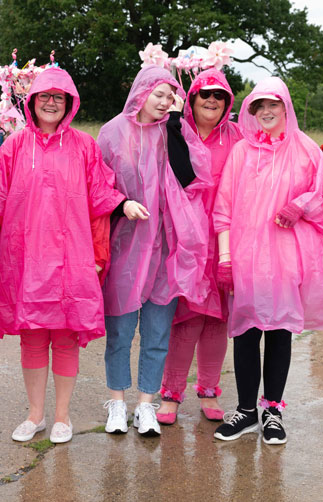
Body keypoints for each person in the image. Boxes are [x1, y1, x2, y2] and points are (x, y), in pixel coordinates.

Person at [0, 67, 145, 445]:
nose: (51, 102)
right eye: (45, 95)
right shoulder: (14, 146)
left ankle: (62, 416)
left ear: (70, 103)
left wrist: (121, 206)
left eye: (59, 97)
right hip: (25, 259)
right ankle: (35, 415)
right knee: (32, 338)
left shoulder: (84, 146)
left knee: (64, 338)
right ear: (32, 100)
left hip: (71, 258)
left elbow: (100, 196)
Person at [212, 77, 323, 445]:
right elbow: (223, 208)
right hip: (246, 256)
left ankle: (272, 411)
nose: (266, 112)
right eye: (259, 106)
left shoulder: (306, 150)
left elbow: (321, 197)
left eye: (273, 105)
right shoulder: (241, 152)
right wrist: (225, 258)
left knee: (280, 331)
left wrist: (300, 205)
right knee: (246, 332)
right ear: (251, 111)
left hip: (286, 257)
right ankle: (246, 411)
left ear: (286, 107)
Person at [97, 65, 212, 436]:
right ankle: (117, 402)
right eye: (158, 94)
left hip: (166, 250)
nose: (164, 102)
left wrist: (177, 124)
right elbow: (96, 184)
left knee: (157, 333)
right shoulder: (112, 133)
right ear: (141, 91)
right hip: (125, 248)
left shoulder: (175, 132)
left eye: (170, 95)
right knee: (119, 331)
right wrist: (122, 203)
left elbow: (192, 176)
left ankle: (145, 405)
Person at [157, 68, 243, 426]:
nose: (212, 100)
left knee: (216, 321)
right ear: (191, 99)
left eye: (219, 95)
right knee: (186, 319)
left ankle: (209, 390)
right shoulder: (176, 131)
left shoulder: (238, 137)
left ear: (228, 103)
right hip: (185, 238)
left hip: (226, 239)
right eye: (205, 94)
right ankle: (171, 393)